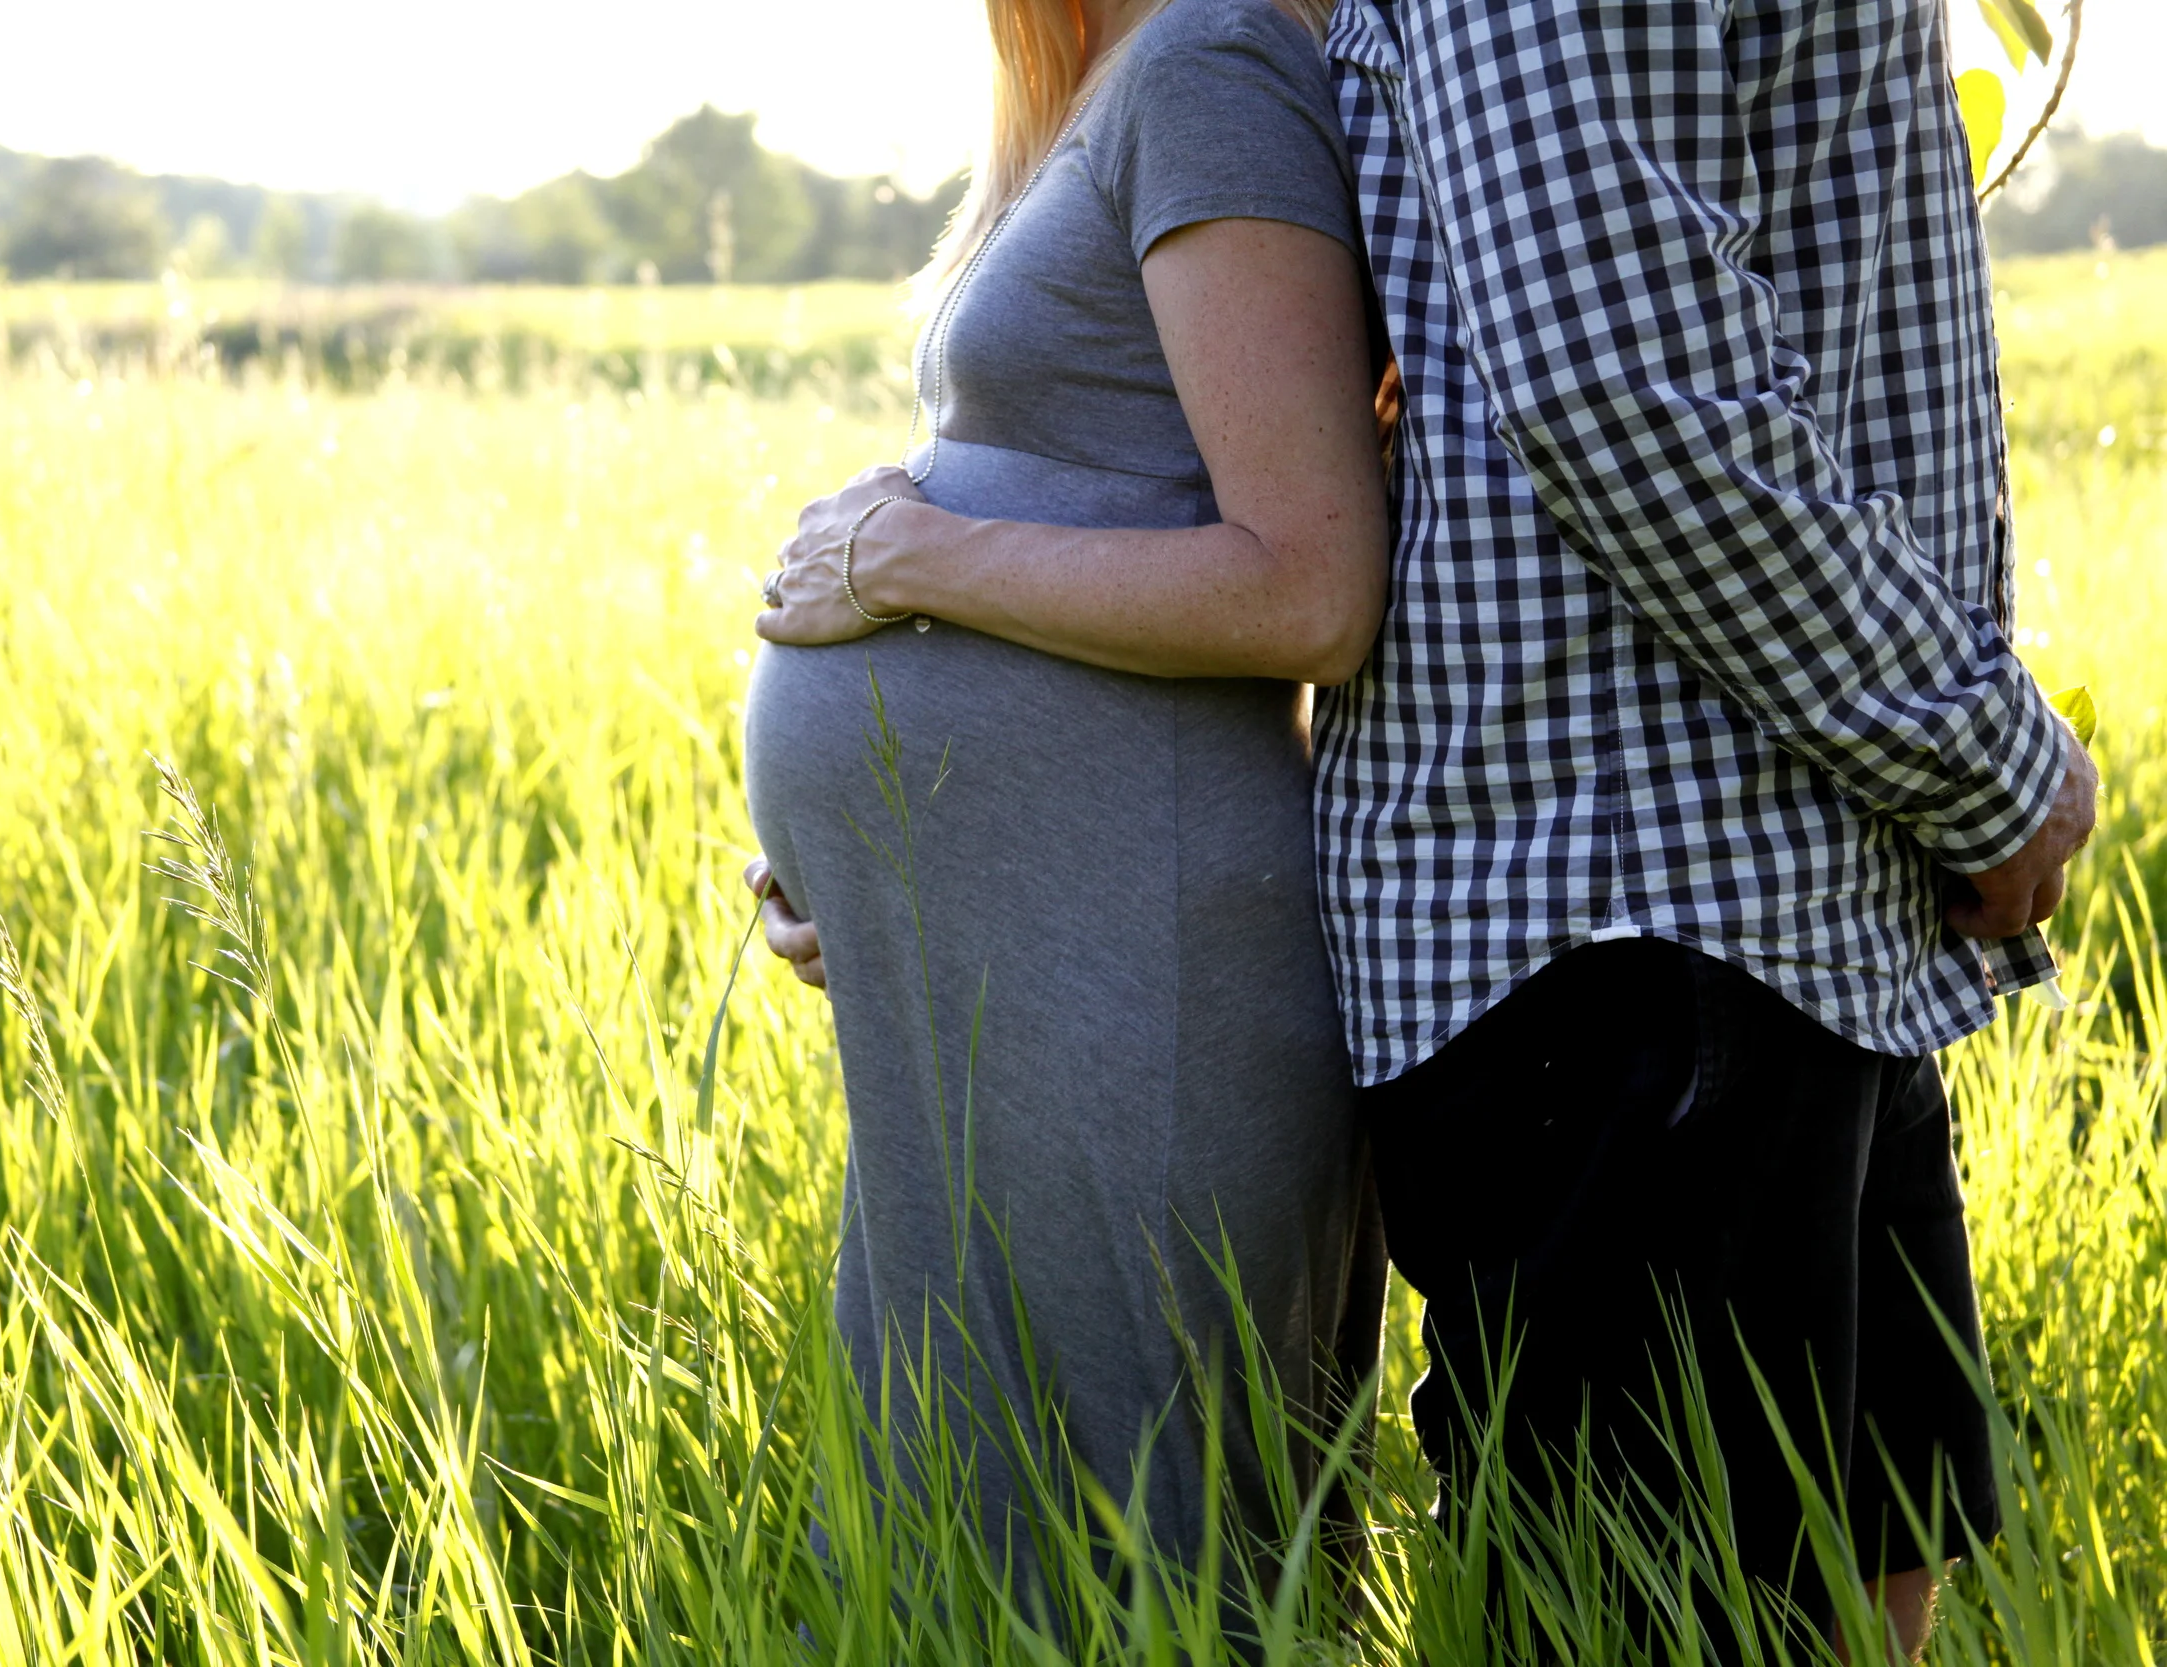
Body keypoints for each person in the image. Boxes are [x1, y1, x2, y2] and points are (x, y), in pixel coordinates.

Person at [766, 0, 2101, 1655]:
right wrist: (909, 852)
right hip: (1671, 891)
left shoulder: (1211, 68)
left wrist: (1974, 753)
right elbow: (1578, 401)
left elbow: (1360, 535)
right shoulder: (1144, 79)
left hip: (1710, 887)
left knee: (1802, 1581)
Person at [740, 0, 1392, 1597]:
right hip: (1033, 968)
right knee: (971, 1521)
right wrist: (896, 880)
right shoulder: (1108, 80)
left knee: (1147, 1553)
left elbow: (1310, 586)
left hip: (1143, 974)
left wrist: (918, 557)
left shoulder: (1211, 63)